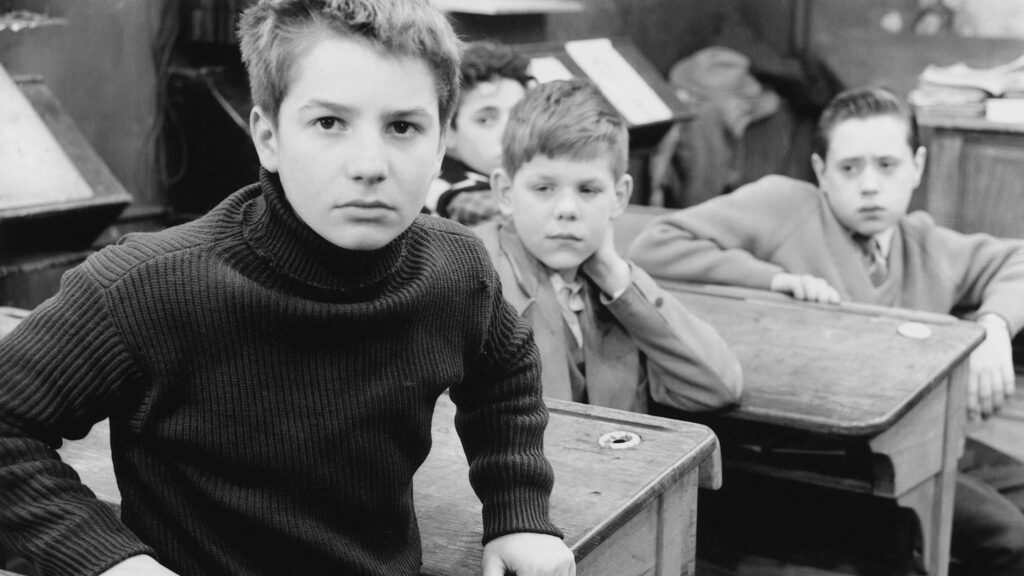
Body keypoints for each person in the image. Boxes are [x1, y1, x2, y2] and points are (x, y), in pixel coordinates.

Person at [0, 2, 576, 576]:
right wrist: (113, 564)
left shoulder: (455, 266)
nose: (369, 164)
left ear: (440, 143)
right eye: (329, 123)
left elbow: (504, 369)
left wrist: (518, 508)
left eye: (403, 126)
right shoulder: (144, 288)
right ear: (268, 136)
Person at [628, 86, 1024, 575]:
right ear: (820, 172)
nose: (871, 186)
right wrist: (774, 279)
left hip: (926, 434)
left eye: (887, 165)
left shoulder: (923, 242)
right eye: (850, 168)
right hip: (834, 459)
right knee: (1011, 539)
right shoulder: (786, 205)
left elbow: (1016, 260)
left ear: (917, 166)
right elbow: (655, 245)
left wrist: (994, 328)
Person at [473, 78, 742, 414]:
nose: (567, 209)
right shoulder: (476, 278)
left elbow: (718, 387)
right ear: (505, 193)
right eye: (543, 188)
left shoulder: (610, 285)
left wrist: (617, 277)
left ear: (619, 198)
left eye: (588, 190)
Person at [427, 40, 532, 225]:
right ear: (447, 132)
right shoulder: (453, 190)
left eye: (520, 115)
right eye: (485, 120)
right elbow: (483, 210)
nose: (510, 132)